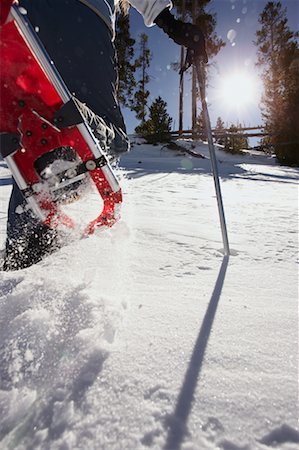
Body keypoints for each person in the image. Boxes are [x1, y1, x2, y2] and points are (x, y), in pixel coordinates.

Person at [2, 0, 207, 271]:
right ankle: (75, 125)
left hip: (25, 18)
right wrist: (170, 23)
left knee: (35, 135)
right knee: (100, 137)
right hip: (84, 18)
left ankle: (21, 248)